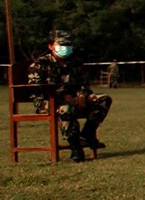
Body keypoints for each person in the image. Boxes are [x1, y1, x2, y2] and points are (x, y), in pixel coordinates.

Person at [28, 29, 113, 163]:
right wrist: (63, 96)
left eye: (68, 45)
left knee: (103, 99)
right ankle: (76, 148)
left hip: (75, 98)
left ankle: (86, 135)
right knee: (66, 109)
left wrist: (82, 95)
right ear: (50, 46)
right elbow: (36, 87)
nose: (65, 48)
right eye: (61, 45)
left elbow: (84, 83)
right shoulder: (41, 64)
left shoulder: (75, 62)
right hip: (49, 101)